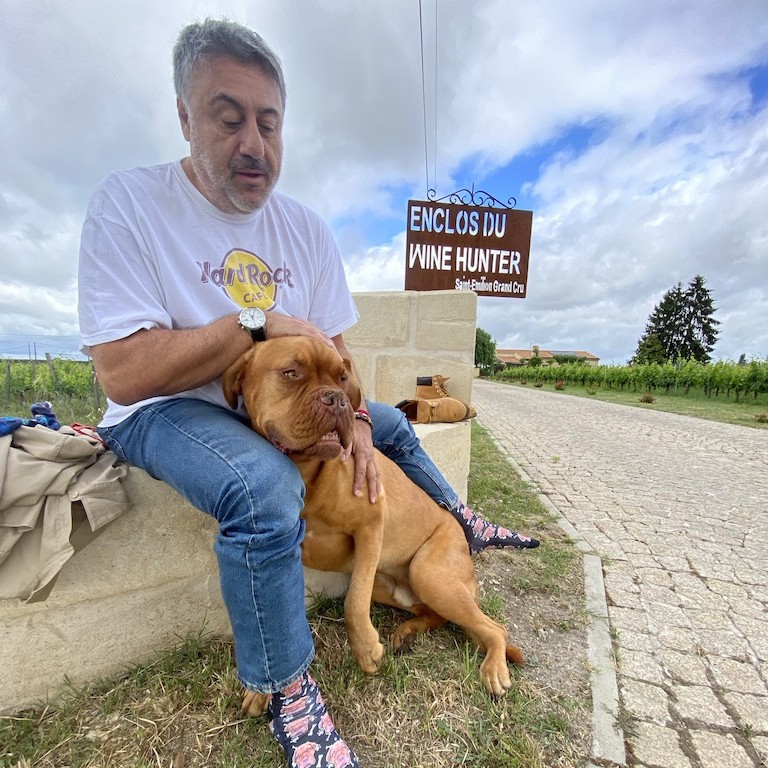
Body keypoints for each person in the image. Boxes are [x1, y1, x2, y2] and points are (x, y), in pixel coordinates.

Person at [77, 18, 538, 767]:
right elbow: (122, 372)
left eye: (269, 122)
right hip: (164, 408)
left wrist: (354, 419)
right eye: (229, 119)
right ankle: (287, 685)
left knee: (388, 421)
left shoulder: (306, 230)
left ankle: (459, 519)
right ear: (185, 117)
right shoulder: (129, 204)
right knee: (263, 487)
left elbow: (341, 364)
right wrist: (256, 322)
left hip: (279, 399)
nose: (253, 143)